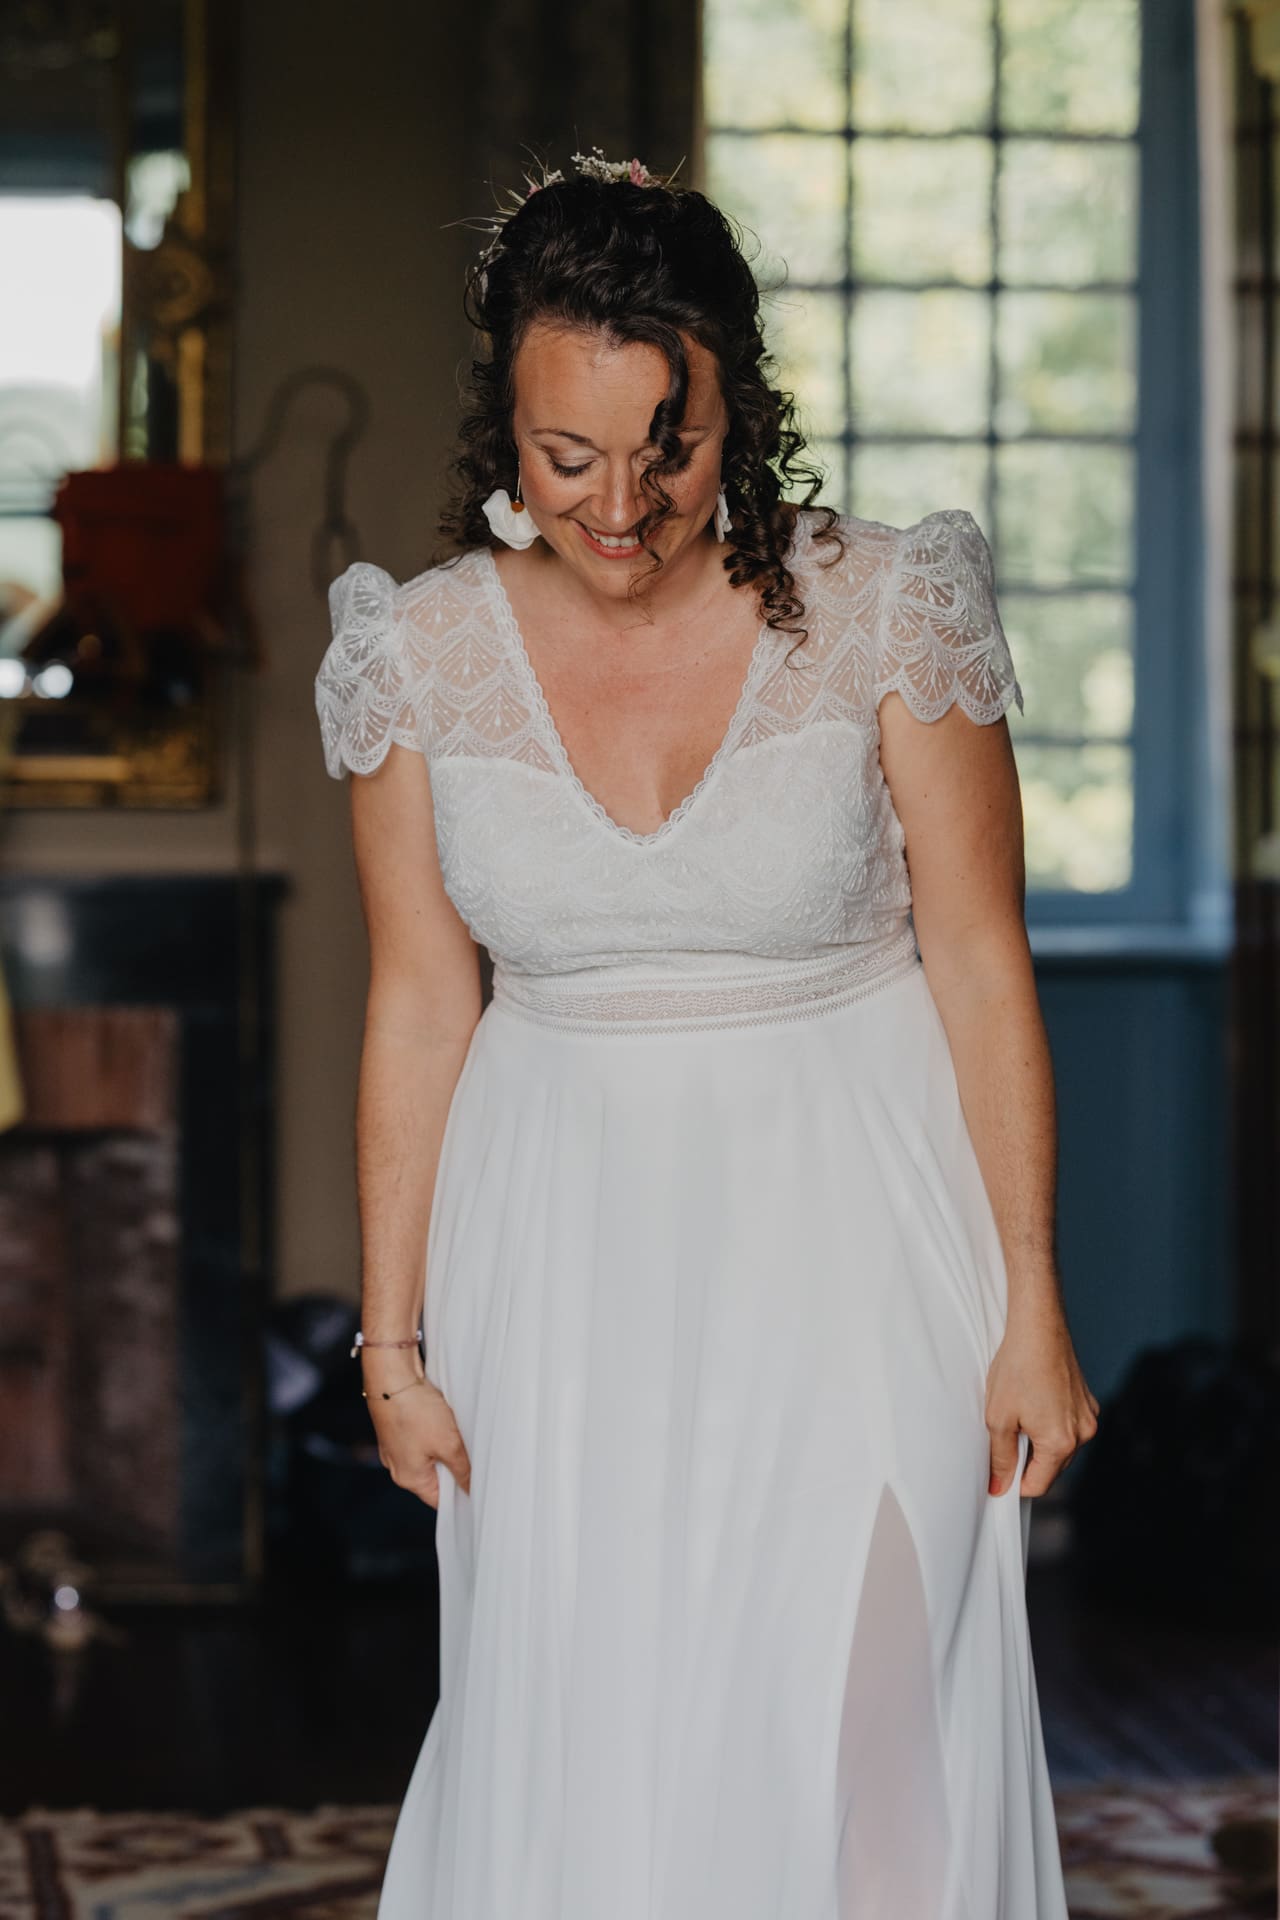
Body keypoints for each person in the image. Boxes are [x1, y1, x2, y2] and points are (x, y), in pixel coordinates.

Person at [315, 146, 1098, 1920]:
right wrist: (391, 1337)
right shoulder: (416, 655)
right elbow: (423, 1000)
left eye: (667, 443)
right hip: (562, 1255)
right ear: (502, 424)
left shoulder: (894, 602)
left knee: (869, 1710)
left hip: (861, 1233)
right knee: (599, 1726)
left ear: (738, 404)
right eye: (565, 453)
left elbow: (981, 961)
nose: (620, 503)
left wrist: (1034, 1297)